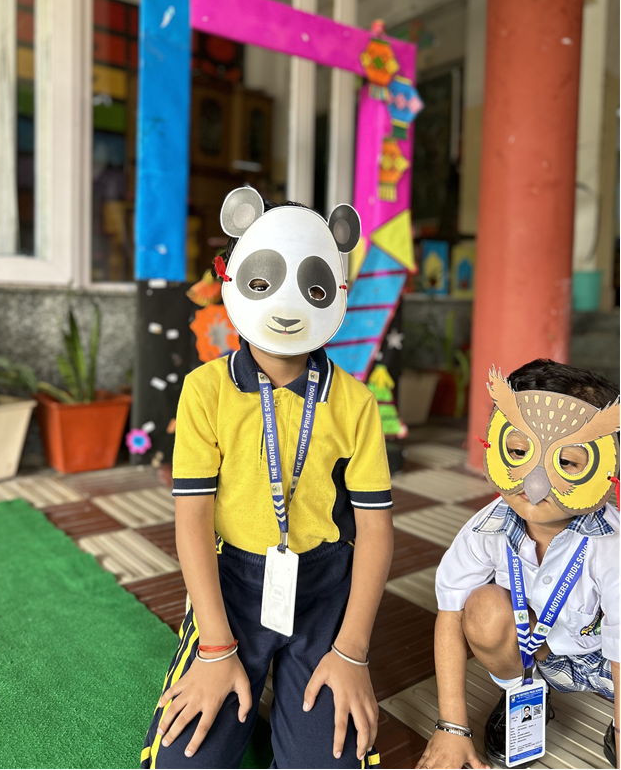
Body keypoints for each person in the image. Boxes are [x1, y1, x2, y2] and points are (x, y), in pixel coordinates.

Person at [141, 187, 394, 770]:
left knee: (330, 760)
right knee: (183, 763)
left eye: (313, 288)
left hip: (324, 588)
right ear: (232, 278)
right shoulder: (204, 390)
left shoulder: (357, 403)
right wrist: (214, 647)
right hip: (231, 583)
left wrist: (352, 653)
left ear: (339, 293)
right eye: (262, 281)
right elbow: (192, 521)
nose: (287, 303)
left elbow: (376, 531)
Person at [416, 359, 620, 770]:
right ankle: (524, 695)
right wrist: (452, 727)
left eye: (567, 462)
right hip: (541, 653)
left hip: (607, 664)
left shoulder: (611, 546)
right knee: (482, 609)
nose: (534, 483)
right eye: (518, 451)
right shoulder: (486, 529)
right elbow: (450, 613)